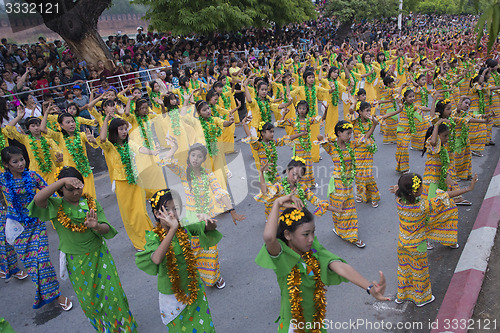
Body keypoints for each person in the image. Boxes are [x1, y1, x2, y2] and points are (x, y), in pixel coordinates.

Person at [255, 193, 389, 332]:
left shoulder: (314, 251)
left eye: (313, 232)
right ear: (288, 235)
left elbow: (340, 266)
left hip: (316, 324)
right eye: (305, 234)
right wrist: (277, 203)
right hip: (293, 327)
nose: (311, 238)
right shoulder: (282, 256)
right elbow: (269, 237)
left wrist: (370, 288)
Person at [29, 166, 138, 332]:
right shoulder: (56, 206)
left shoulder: (91, 203)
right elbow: (38, 199)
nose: (75, 193)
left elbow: (107, 229)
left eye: (78, 188)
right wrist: (62, 181)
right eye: (70, 189)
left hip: (100, 256)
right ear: (61, 190)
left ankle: (125, 329)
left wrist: (96, 227)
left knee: (113, 295)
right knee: (90, 301)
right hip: (77, 262)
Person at [161, 140, 245, 288]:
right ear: (189, 156)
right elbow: (167, 161)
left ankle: (215, 276)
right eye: (193, 155)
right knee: (194, 249)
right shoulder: (183, 172)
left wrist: (231, 210)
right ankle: (197, 276)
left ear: (203, 159)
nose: (195, 159)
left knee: (211, 248)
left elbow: (219, 191)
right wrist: (174, 147)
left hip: (207, 217)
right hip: (191, 217)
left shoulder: (208, 175)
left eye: (199, 156)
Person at [136, 189, 222, 332]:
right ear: (157, 214)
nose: (173, 213)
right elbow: (156, 259)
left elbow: (211, 227)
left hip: (194, 287)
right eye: (167, 209)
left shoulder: (185, 225)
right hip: (173, 297)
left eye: (175, 208)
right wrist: (172, 230)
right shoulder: (154, 237)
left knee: (204, 327)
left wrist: (208, 219)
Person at [0, 146, 71, 310]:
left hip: (36, 224)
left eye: (22, 159)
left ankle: (57, 295)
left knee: (42, 260)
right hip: (17, 228)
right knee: (32, 264)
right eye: (15, 161)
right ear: (6, 164)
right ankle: (48, 292)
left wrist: (67, 209)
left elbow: (50, 192)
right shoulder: (3, 179)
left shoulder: (32, 176)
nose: (20, 164)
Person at [392, 172, 477, 306]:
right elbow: (445, 196)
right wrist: (468, 189)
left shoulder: (399, 202)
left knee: (404, 269)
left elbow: (399, 190)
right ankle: (422, 299)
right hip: (417, 246)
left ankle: (401, 296)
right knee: (420, 272)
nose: (423, 189)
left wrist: (399, 188)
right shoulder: (422, 207)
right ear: (414, 192)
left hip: (402, 244)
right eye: (421, 187)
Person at [98, 116, 153, 250]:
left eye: (125, 129)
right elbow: (102, 139)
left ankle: (150, 237)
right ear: (114, 131)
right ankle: (139, 242)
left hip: (136, 181)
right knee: (130, 215)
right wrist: (105, 120)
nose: (124, 132)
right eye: (120, 129)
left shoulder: (129, 144)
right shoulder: (110, 147)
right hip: (122, 184)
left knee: (141, 212)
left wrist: (155, 152)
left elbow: (141, 149)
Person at [317, 121, 366, 248]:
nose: (350, 136)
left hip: (348, 181)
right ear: (339, 133)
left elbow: (365, 138)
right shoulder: (331, 147)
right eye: (347, 133)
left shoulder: (351, 145)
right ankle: (342, 231)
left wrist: (374, 125)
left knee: (349, 207)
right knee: (341, 207)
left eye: (351, 133)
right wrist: (325, 138)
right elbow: (319, 138)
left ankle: (351, 234)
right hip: (338, 182)